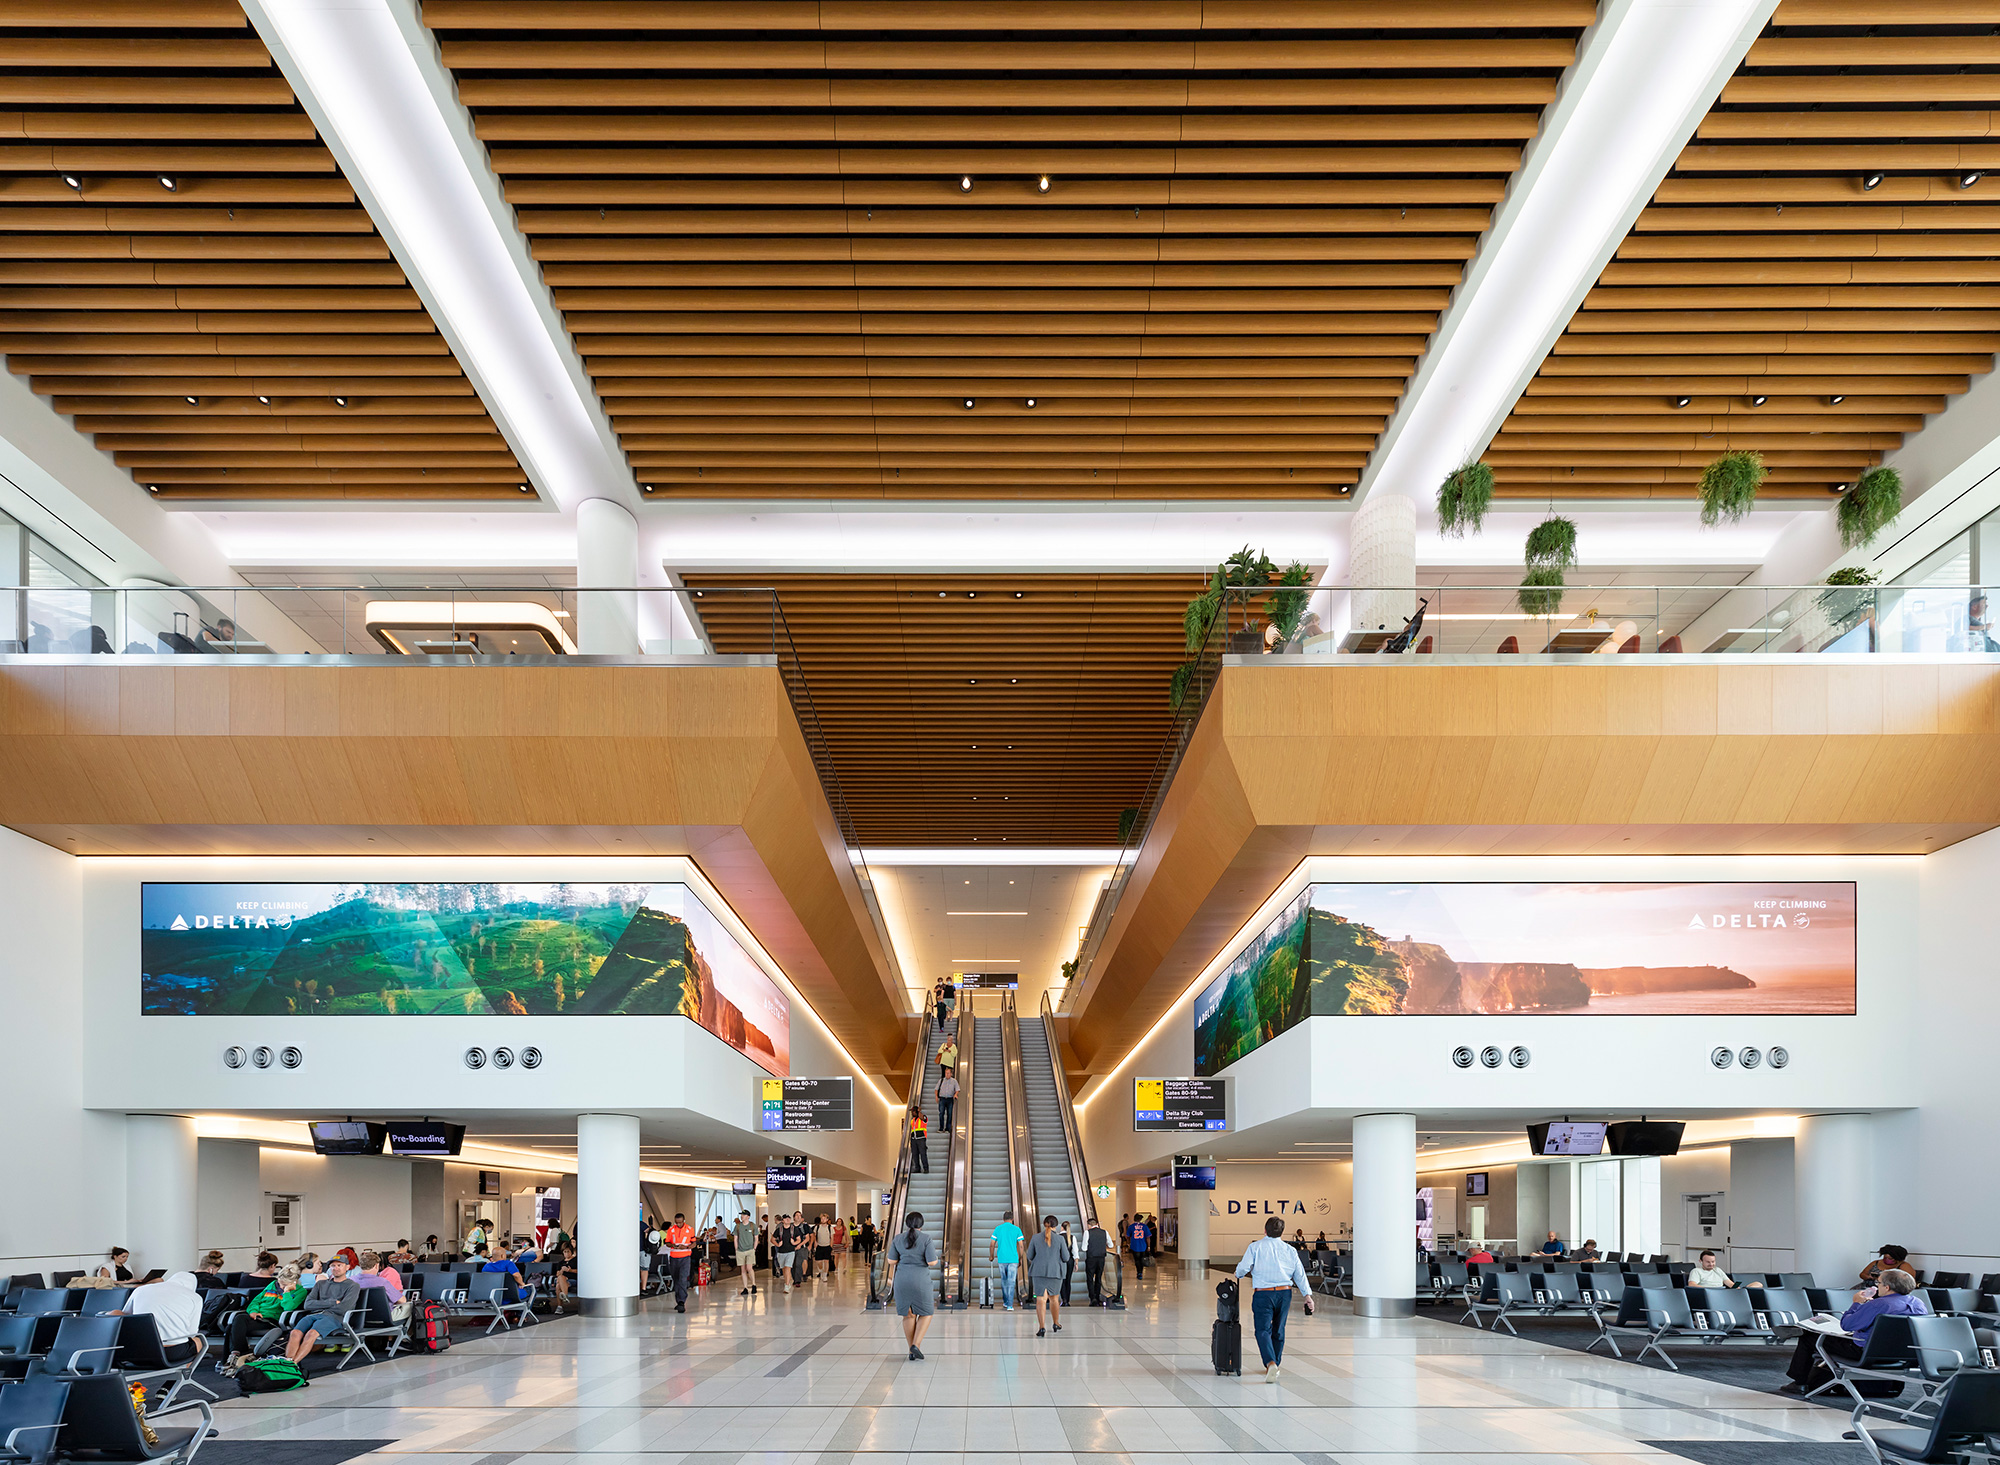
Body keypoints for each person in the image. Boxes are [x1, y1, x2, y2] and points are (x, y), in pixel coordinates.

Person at [1782, 1268, 1929, 1394]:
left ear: (1887, 1287)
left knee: (1809, 1337)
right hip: (1903, 1355)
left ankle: (1799, 1382)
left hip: (1865, 1352)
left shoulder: (1879, 1304)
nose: (1877, 1286)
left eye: (1878, 1283)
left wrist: (1857, 1303)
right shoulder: (1918, 1304)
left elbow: (1847, 1325)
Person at [1236, 1216, 1316, 1383]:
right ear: (1282, 1232)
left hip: (1263, 1294)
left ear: (1265, 1230)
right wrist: (1307, 1296)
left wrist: (1239, 1274)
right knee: (1279, 1329)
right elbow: (1299, 1274)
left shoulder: (1255, 1247)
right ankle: (1275, 1364)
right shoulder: (1290, 1250)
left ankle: (1270, 1362)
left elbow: (1244, 1268)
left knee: (1262, 1330)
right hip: (1284, 1293)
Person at [282, 1256, 362, 1365]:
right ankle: (288, 1362)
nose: (336, 1268)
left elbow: (343, 1308)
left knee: (311, 1334)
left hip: (335, 1317)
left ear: (347, 1267)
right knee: (295, 1333)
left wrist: (319, 1304)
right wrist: (333, 1302)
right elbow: (308, 1305)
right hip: (314, 1315)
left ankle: (292, 1364)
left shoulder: (353, 1286)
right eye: (333, 1265)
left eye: (339, 1265)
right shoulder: (321, 1284)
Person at [225, 1264, 304, 1369]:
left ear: (293, 1283)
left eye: (284, 1285)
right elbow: (256, 1301)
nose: (280, 1287)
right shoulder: (272, 1285)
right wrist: (253, 1311)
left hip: (272, 1320)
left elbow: (288, 1307)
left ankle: (235, 1356)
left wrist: (287, 1292)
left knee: (234, 1324)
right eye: (280, 1283)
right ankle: (239, 1354)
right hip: (258, 1317)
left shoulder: (300, 1291)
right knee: (237, 1319)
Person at [886, 1210, 938, 1361]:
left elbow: (891, 1261)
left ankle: (911, 1351)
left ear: (907, 1224)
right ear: (921, 1224)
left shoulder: (898, 1238)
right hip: (920, 1280)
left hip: (901, 1279)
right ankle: (916, 1344)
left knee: (908, 1314)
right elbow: (931, 1262)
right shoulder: (926, 1238)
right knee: (926, 1312)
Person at [1025, 1214, 1071, 1337]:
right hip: (1055, 1272)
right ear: (1056, 1225)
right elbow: (1066, 1257)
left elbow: (1029, 1256)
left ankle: (1041, 1327)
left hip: (1038, 1272)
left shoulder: (1035, 1238)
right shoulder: (1061, 1239)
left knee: (1040, 1299)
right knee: (1054, 1298)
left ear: (1044, 1224)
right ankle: (1056, 1323)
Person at [990, 1210, 1024, 1309]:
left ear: (1003, 1219)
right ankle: (1010, 1305)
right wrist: (1020, 1258)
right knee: (1011, 1281)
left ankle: (1005, 1301)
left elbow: (992, 1244)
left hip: (1001, 1258)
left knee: (1004, 1280)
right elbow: (1021, 1246)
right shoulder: (1017, 1229)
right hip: (1013, 1259)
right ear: (1012, 1219)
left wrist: (991, 1256)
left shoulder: (998, 1229)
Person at [1083, 1216, 1112, 1305]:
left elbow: (1084, 1248)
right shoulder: (1104, 1232)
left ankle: (1092, 1298)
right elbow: (1110, 1245)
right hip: (1101, 1258)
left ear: (1088, 1225)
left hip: (1091, 1258)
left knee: (1090, 1278)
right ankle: (1098, 1296)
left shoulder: (1087, 1233)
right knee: (1099, 1278)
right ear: (1097, 1224)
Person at [770, 1213, 796, 1296]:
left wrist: (794, 1243)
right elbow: (772, 1239)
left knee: (788, 1267)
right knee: (784, 1269)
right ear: (782, 1220)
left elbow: (799, 1239)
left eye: (789, 1218)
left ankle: (787, 1285)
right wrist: (777, 1245)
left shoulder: (793, 1229)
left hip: (791, 1251)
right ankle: (788, 1280)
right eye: (786, 1218)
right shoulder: (779, 1230)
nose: (788, 1219)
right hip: (781, 1252)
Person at [735, 1211, 759, 1295]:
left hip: (750, 1250)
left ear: (748, 1216)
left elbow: (756, 1238)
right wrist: (736, 1249)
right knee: (743, 1270)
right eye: (741, 1215)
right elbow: (735, 1238)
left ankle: (753, 1284)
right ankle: (745, 1287)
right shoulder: (738, 1226)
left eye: (744, 1215)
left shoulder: (752, 1226)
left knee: (749, 1268)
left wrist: (754, 1248)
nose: (742, 1216)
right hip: (740, 1250)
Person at [935, 1067, 960, 1134]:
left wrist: (955, 1094)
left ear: (951, 1074)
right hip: (942, 1099)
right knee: (941, 1113)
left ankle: (947, 1128)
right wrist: (936, 1096)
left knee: (949, 1114)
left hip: (950, 1099)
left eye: (948, 1073)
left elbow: (957, 1089)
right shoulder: (941, 1080)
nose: (947, 1074)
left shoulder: (954, 1081)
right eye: (946, 1073)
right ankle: (941, 1128)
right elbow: (936, 1089)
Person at [1059, 1221, 1077, 1306]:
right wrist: (1076, 1263)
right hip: (1070, 1261)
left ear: (1062, 1227)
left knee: (1062, 1280)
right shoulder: (1072, 1237)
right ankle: (1068, 1301)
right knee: (1068, 1280)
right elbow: (1075, 1251)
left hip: (1060, 1261)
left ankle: (1064, 1299)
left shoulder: (1058, 1237)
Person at [909, 1107, 931, 1174]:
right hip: (914, 1139)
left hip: (921, 1138)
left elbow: (922, 1118)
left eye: (913, 1111)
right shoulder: (912, 1120)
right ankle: (917, 1168)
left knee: (923, 1154)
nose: (912, 1113)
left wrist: (919, 1112)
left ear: (916, 1111)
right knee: (915, 1155)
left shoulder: (922, 1118)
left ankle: (925, 1168)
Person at [814, 1214, 834, 1280]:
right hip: (819, 1246)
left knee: (826, 1261)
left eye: (825, 1218)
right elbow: (814, 1236)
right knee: (818, 1261)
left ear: (827, 1220)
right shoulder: (817, 1227)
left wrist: (830, 1246)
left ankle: (825, 1274)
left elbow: (832, 1238)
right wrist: (815, 1243)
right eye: (822, 1218)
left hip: (827, 1246)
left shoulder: (830, 1228)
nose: (823, 1220)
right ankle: (821, 1270)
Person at [1129, 1215, 1149, 1279]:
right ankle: (1141, 1272)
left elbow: (1128, 1236)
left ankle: (1139, 1272)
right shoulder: (1144, 1226)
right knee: (1142, 1259)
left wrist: (1129, 1243)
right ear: (1140, 1219)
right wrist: (1148, 1246)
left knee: (1137, 1260)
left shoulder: (1131, 1227)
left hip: (1134, 1245)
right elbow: (1148, 1237)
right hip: (1143, 1246)